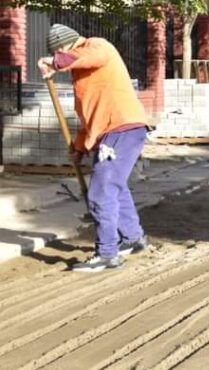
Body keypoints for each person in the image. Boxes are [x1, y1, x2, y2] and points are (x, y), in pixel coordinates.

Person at [36, 24, 150, 272]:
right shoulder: (83, 77)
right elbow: (89, 120)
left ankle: (107, 254)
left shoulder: (97, 46)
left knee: (101, 190)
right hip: (114, 131)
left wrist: (54, 62)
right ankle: (132, 238)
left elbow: (86, 56)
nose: (60, 59)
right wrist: (79, 148)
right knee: (115, 187)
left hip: (121, 127)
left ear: (65, 46)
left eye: (58, 52)